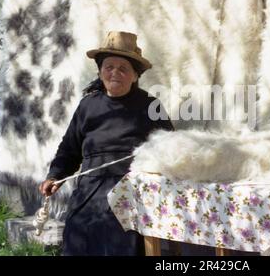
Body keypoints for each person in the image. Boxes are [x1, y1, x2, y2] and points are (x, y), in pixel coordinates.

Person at [39, 31, 173, 256]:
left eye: (123, 69)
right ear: (100, 71)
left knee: (120, 240)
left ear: (134, 76)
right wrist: (55, 175)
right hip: (89, 189)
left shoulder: (150, 105)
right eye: (109, 67)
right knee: (78, 235)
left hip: (130, 189)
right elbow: (69, 148)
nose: (115, 73)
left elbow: (170, 148)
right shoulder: (88, 106)